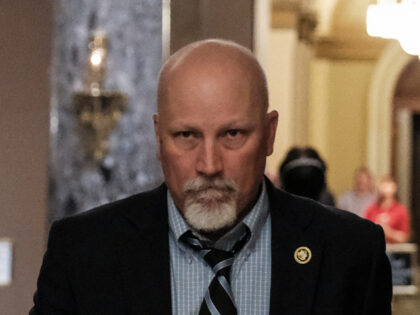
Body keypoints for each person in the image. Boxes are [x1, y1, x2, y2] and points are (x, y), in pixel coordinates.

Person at [30, 39, 392, 315]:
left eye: (232, 134)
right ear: (159, 138)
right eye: (186, 136)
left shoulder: (351, 253)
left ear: (269, 134)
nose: (208, 165)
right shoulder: (83, 252)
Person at [364, 175, 410, 243]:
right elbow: (364, 232)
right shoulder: (371, 209)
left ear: (394, 189)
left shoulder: (401, 210)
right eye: (383, 187)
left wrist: (388, 231)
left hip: (394, 250)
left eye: (389, 187)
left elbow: (403, 237)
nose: (386, 190)